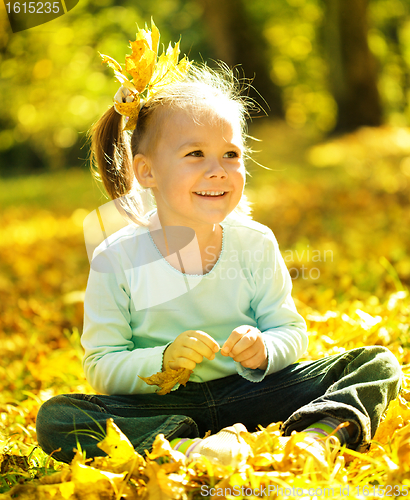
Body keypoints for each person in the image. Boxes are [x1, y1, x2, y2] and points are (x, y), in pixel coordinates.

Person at [36, 23, 402, 467]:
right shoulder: (117, 257)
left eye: (231, 155)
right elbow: (102, 363)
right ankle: (185, 449)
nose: (218, 171)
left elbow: (291, 331)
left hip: (253, 392)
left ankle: (316, 437)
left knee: (375, 363)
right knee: (59, 417)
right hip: (165, 407)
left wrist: (265, 349)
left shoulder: (254, 243)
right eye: (195, 155)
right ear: (147, 171)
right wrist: (162, 359)